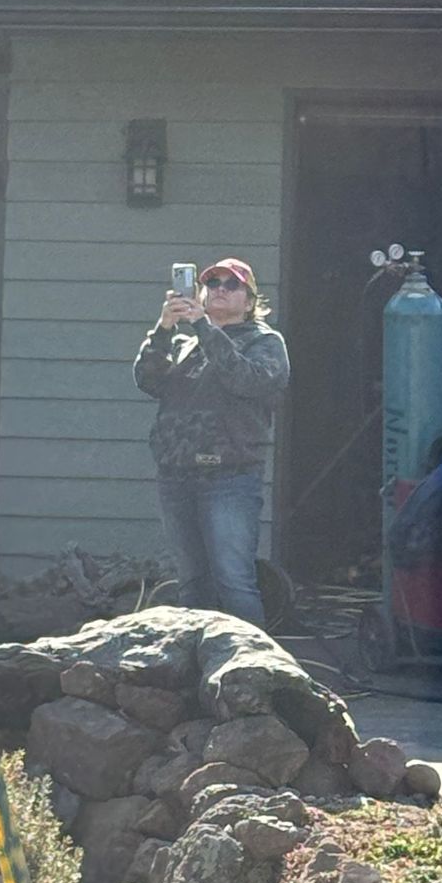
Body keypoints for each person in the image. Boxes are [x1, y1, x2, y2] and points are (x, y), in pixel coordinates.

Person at [134, 257, 290, 625]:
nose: (219, 289)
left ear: (249, 302)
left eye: (231, 285)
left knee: (234, 582)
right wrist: (164, 329)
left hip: (229, 478)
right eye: (212, 283)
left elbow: (245, 379)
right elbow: (147, 380)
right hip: (176, 475)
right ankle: (196, 657)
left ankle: (253, 660)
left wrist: (203, 326)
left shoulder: (265, 342)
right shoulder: (187, 343)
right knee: (192, 583)